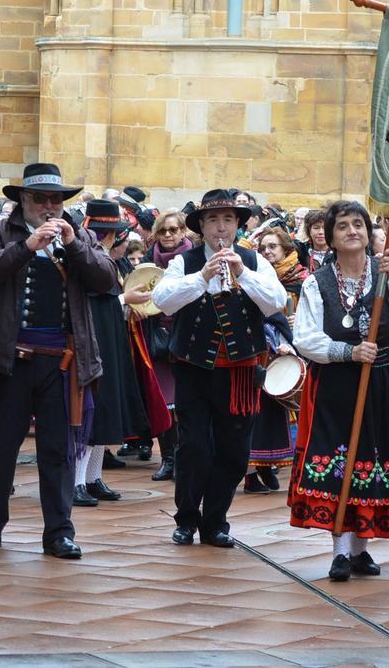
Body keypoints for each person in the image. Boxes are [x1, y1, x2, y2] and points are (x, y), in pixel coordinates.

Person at [0, 163, 117, 558]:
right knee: (0, 447)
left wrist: (74, 245)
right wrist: (26, 247)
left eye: (55, 198)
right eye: (40, 198)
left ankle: (59, 532)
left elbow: (106, 279)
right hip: (8, 359)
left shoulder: (79, 233)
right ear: (23, 199)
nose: (49, 206)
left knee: (58, 449)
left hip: (62, 364)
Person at [289, 200, 389, 580]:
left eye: (359, 224)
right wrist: (348, 351)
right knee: (342, 463)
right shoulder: (315, 282)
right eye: (343, 226)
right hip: (337, 384)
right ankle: (339, 551)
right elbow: (305, 338)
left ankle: (360, 548)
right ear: (331, 237)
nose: (352, 231)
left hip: (385, 380)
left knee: (372, 460)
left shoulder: (385, 272)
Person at [152, 189, 288, 548]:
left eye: (228, 219)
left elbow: (277, 302)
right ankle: (186, 518)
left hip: (240, 372)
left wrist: (243, 273)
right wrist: (201, 278)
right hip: (194, 368)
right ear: (202, 227)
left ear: (238, 225)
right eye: (213, 220)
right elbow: (161, 300)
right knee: (194, 446)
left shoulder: (255, 261)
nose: (221, 227)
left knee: (233, 451)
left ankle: (215, 521)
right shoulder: (186, 261)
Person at [73, 200, 150, 507]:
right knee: (91, 412)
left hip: (109, 342)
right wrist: (124, 299)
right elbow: (91, 305)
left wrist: (124, 304)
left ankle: (92, 477)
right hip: (94, 344)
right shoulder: (89, 261)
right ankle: (78, 480)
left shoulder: (102, 259)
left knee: (105, 411)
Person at [130, 210, 193, 479]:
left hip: (187, 339)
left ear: (183, 231)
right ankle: (168, 459)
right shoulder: (145, 261)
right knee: (163, 401)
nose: (168, 235)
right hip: (155, 339)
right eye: (163, 231)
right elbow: (136, 294)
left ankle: (184, 459)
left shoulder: (194, 259)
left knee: (186, 403)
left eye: (174, 229)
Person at [246, 227, 307, 492]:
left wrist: (293, 330)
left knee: (274, 415)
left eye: (273, 247)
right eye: (264, 248)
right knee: (255, 415)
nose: (268, 252)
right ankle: (251, 471)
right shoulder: (254, 276)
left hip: (283, 348)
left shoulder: (301, 278)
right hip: (259, 351)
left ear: (286, 250)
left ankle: (267, 467)